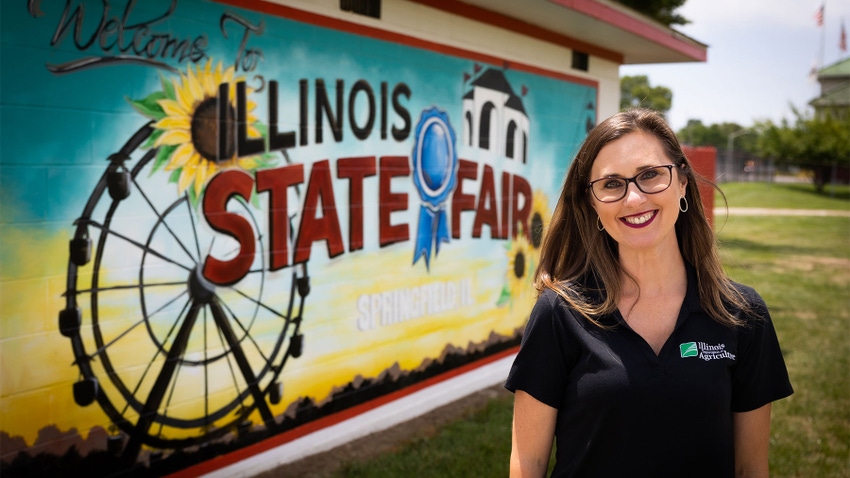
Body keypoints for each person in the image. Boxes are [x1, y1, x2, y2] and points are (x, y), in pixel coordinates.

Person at [505, 108, 793, 477]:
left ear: (683, 182)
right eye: (611, 184)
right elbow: (527, 464)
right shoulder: (560, 312)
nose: (634, 199)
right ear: (592, 203)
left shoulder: (742, 314)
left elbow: (750, 467)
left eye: (650, 175)